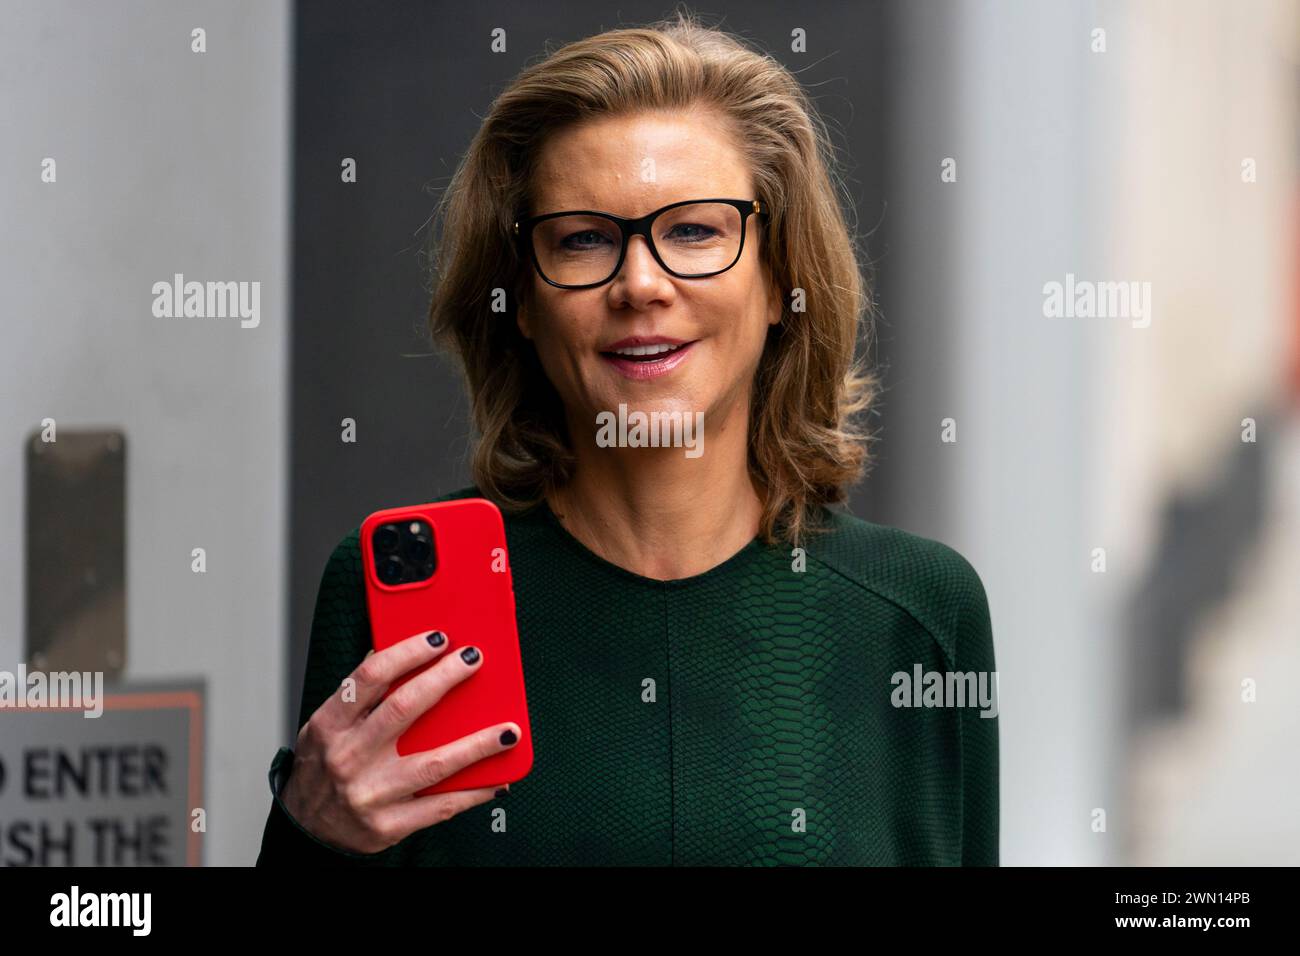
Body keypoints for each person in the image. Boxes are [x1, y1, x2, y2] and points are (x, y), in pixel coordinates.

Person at [256, 10, 998, 866]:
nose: (640, 283)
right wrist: (309, 832)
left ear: (780, 281)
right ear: (523, 304)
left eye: (693, 230)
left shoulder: (919, 612)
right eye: (582, 241)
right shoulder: (394, 598)